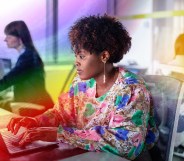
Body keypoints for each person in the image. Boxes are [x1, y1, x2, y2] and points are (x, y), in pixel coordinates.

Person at [7, 15, 159, 161]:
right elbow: (61, 114)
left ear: (104, 56)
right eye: (76, 56)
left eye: (82, 56)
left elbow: (125, 144)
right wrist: (36, 122)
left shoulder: (131, 89)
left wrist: (60, 134)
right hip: (92, 154)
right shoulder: (81, 84)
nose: (76, 62)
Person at [0, 20, 54, 116]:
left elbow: (8, 80)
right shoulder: (29, 54)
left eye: (9, 36)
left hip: (34, 109)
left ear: (20, 38)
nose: (5, 40)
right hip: (35, 103)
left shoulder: (27, 57)